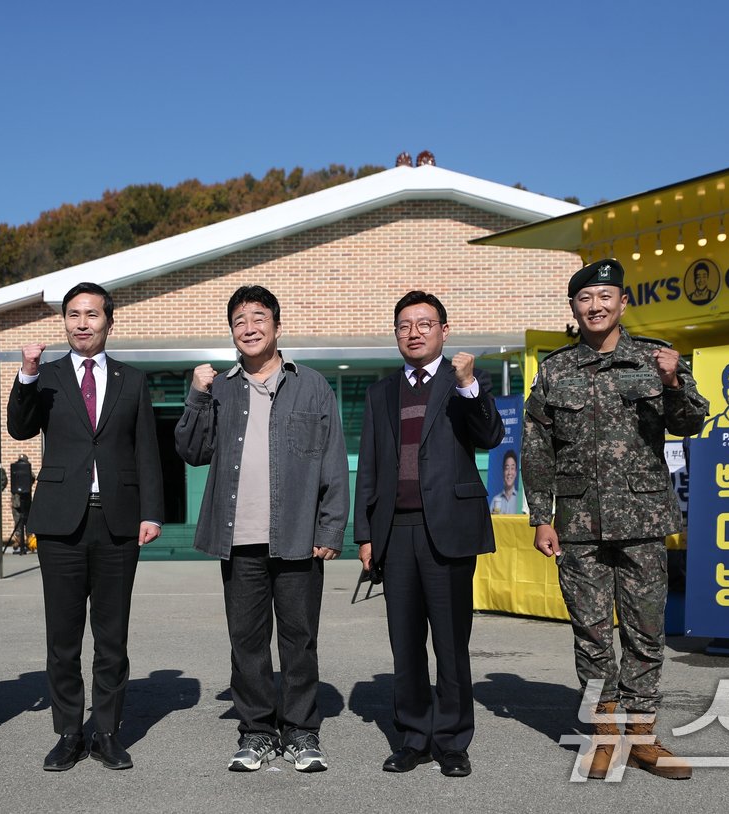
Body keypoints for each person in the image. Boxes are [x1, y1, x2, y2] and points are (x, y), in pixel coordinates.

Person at [522, 259, 708, 781]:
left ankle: (643, 737)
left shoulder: (656, 358)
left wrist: (673, 381)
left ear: (623, 302)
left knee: (647, 631)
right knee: (592, 632)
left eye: (606, 296)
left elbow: (693, 420)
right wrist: (541, 516)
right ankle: (605, 736)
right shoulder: (556, 369)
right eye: (586, 298)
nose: (596, 306)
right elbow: (537, 448)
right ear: (574, 308)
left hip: (643, 520)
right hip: (578, 523)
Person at [175, 285, 349, 773]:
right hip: (239, 539)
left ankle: (301, 731)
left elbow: (333, 462)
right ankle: (256, 732)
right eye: (238, 322)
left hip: (297, 536)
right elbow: (192, 451)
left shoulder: (312, 386)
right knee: (246, 641)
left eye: (257, 318)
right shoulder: (221, 387)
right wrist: (195, 395)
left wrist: (331, 528)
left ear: (276, 325)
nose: (248, 328)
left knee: (299, 640)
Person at [7, 282, 163, 771]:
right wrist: (27, 374)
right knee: (64, 637)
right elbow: (18, 426)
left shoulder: (132, 380)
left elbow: (146, 451)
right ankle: (69, 732)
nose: (81, 322)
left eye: (91, 314)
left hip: (117, 521)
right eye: (73, 314)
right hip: (59, 522)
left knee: (112, 637)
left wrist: (151, 511)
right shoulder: (47, 375)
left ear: (108, 322)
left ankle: (109, 733)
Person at [353, 291, 504, 778]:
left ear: (443, 329)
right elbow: (371, 469)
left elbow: (490, 436)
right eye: (404, 325)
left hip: (449, 530)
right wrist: (365, 534)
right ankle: (414, 736)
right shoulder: (381, 393)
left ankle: (453, 741)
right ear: (395, 333)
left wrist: (468, 385)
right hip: (395, 533)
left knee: (451, 642)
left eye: (424, 323)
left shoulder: (461, 382)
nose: (413, 332)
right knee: (405, 641)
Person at [489, 448, 519, 514]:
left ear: (516, 472)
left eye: (512, 468)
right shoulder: (495, 500)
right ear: (503, 471)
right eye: (507, 468)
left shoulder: (520, 500)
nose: (509, 472)